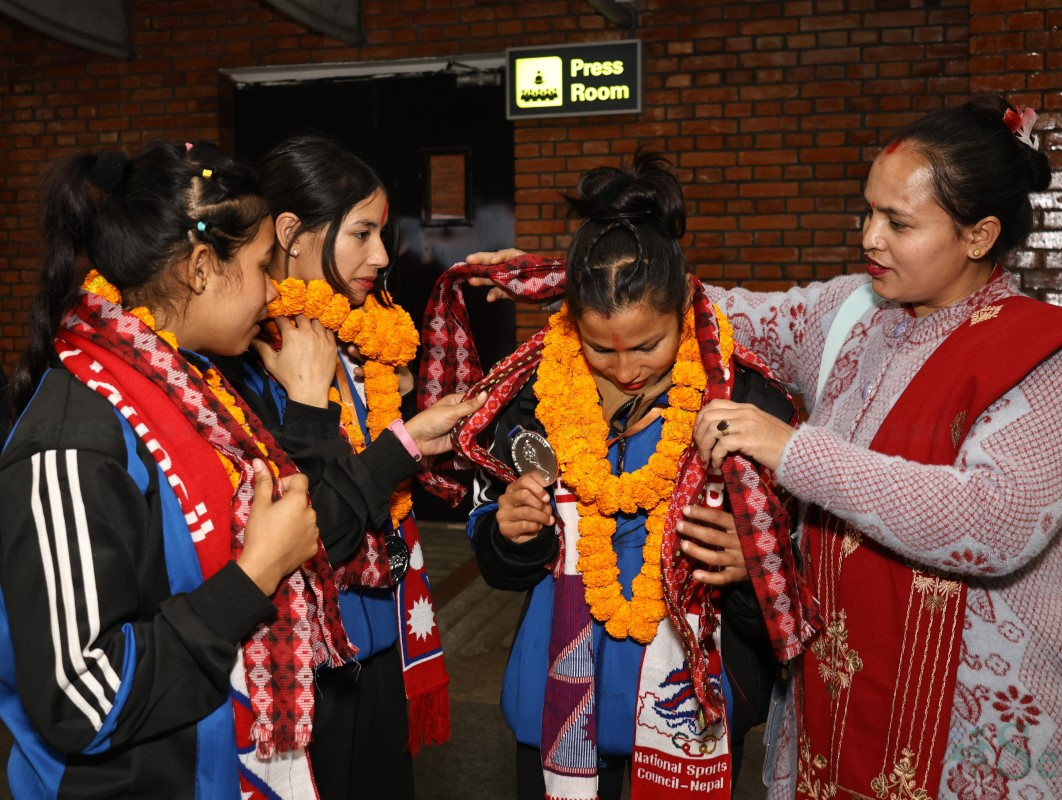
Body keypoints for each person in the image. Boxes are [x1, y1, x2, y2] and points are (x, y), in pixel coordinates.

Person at [469, 96, 1062, 800]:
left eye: (898, 222)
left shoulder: (1052, 362)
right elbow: (697, 306)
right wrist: (573, 271)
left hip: (976, 723)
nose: (870, 238)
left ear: (979, 235)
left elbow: (992, 522)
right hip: (845, 694)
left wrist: (791, 451)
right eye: (868, 211)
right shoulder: (854, 313)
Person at [420, 151, 817, 800]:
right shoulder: (531, 396)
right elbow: (497, 561)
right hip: (557, 687)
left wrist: (752, 570)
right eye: (601, 348)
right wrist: (515, 536)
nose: (627, 368)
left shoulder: (743, 399)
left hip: (690, 697)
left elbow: (795, 573)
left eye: (649, 346)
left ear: (685, 310)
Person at [0, 141, 350, 798]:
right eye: (260, 266)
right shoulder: (73, 443)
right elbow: (83, 699)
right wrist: (256, 575)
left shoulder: (187, 387)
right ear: (198, 268)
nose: (275, 292)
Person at [210, 133, 485, 800]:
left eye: (382, 234)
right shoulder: (248, 361)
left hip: (379, 639)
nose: (383, 256)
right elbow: (313, 536)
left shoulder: (362, 338)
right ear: (292, 235)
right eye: (362, 233)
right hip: (305, 664)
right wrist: (396, 443)